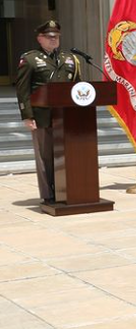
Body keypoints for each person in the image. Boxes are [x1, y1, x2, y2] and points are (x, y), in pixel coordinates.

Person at [16, 20, 83, 203]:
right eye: (50, 37)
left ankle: (66, 188)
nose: (54, 40)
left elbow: (77, 87)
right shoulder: (30, 59)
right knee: (45, 157)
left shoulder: (69, 59)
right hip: (42, 116)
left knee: (66, 154)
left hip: (66, 116)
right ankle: (48, 194)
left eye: (57, 37)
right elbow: (23, 90)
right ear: (40, 38)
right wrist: (27, 115)